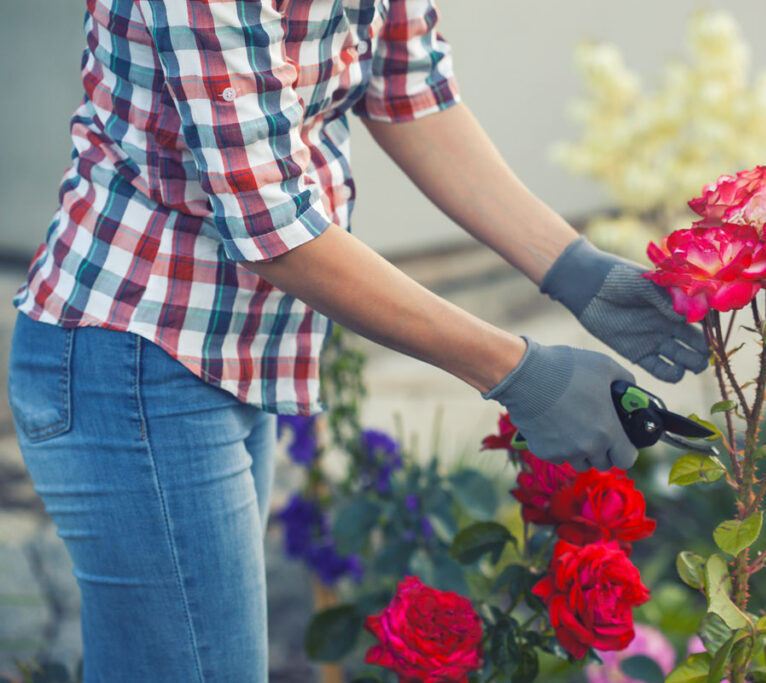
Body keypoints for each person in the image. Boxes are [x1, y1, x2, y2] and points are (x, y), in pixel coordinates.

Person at [7, 1, 708, 680]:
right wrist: (520, 373)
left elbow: (411, 90)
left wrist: (576, 271)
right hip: (136, 355)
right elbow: (272, 227)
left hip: (228, 356)